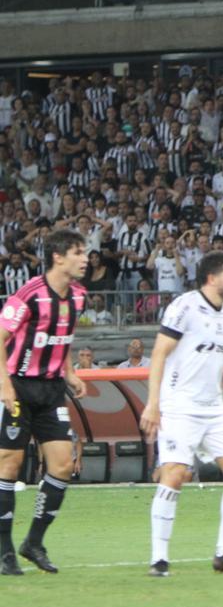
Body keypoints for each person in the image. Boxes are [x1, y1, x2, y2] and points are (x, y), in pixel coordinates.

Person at [138, 251, 223, 577]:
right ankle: (159, 558)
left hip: (213, 408)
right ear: (211, 278)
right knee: (175, 475)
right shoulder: (184, 306)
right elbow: (159, 354)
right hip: (179, 407)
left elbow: (215, 368)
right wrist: (153, 403)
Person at [0, 229, 88, 576]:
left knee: (63, 465)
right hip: (18, 387)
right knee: (8, 466)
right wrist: (4, 387)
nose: (85, 259)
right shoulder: (29, 296)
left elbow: (62, 338)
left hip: (51, 390)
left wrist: (70, 372)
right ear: (58, 257)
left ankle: (33, 542)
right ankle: (4, 549)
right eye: (78, 253)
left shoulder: (78, 296)